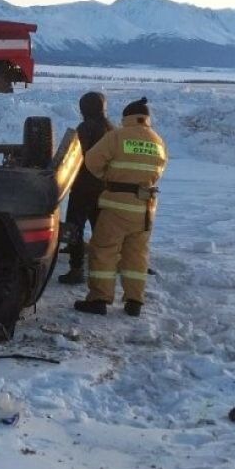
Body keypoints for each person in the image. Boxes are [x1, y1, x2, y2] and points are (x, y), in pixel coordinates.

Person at [74, 97, 168, 317]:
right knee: (136, 254)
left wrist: (108, 177)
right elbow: (160, 168)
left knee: (104, 250)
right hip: (146, 208)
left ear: (127, 117)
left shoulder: (117, 136)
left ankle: (99, 299)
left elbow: (92, 161)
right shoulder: (157, 140)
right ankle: (135, 301)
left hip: (118, 204)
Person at [58, 91, 113, 284]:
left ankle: (76, 268)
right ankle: (106, 264)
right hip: (104, 186)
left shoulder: (86, 127)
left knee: (75, 226)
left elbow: (76, 155)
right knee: (99, 226)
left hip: (83, 186)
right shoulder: (111, 129)